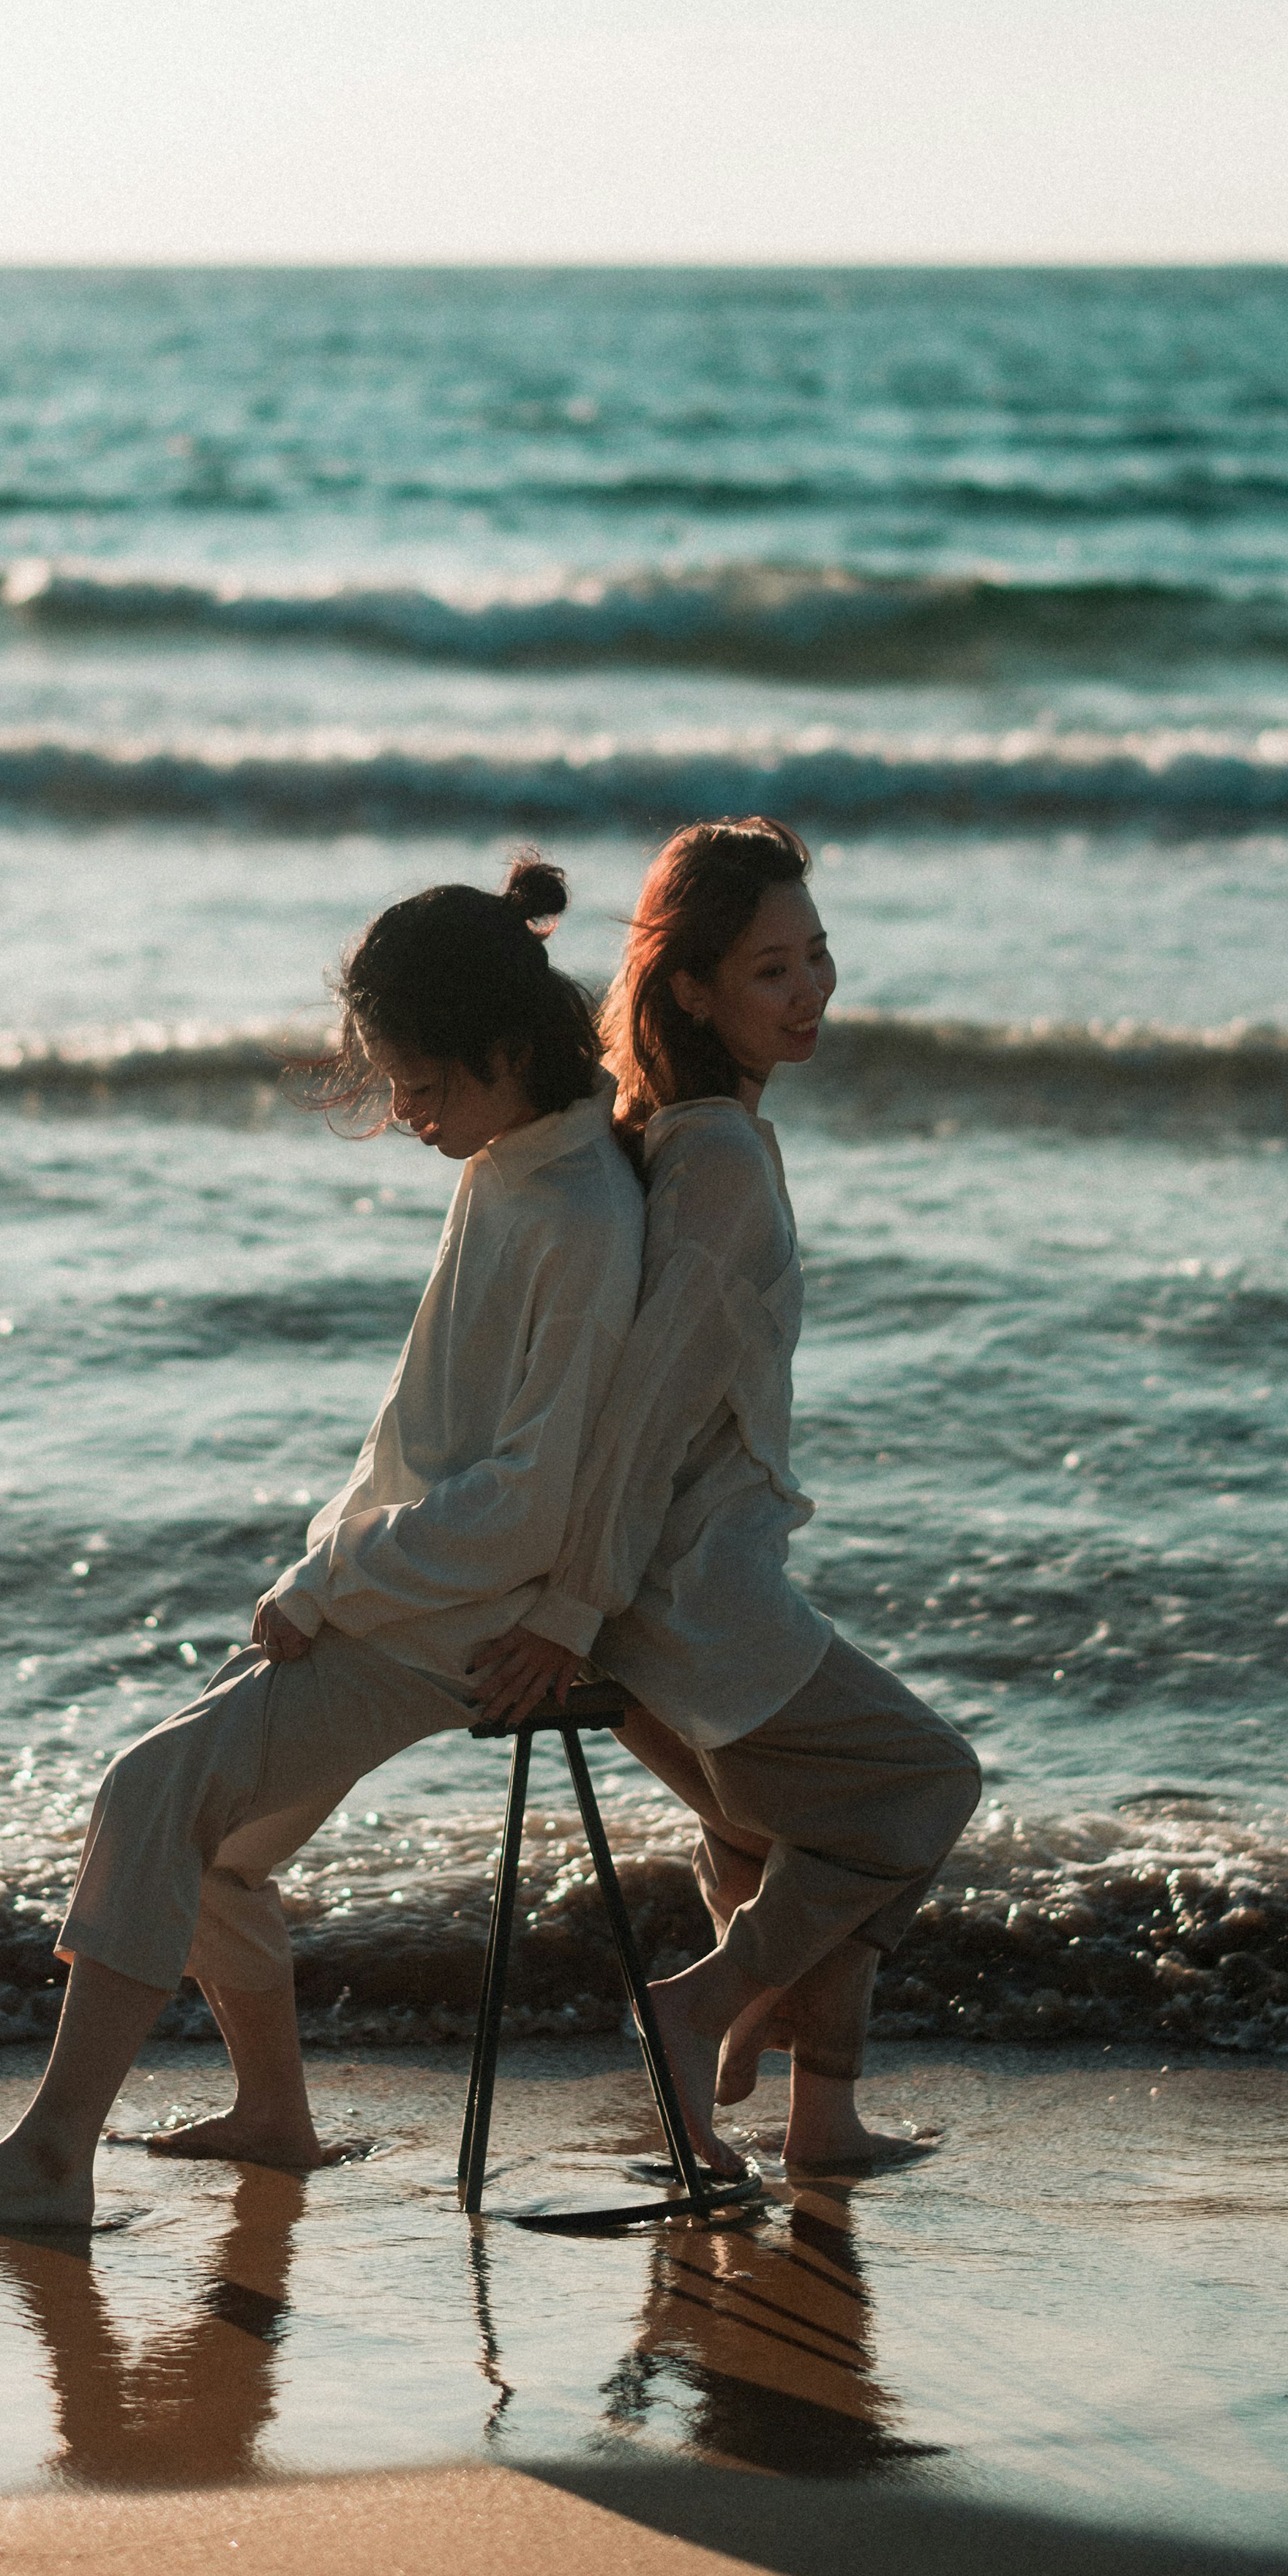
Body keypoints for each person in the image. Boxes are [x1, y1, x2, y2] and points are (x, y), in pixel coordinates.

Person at [0, 855, 641, 2235]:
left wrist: (333, 1580)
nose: (407, 1117)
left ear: (508, 1049)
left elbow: (527, 1503)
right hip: (398, 1590)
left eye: (423, 1088)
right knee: (216, 1848)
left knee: (150, 1795)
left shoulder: (578, 1214)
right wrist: (329, 1566)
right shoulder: (517, 1163)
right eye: (396, 1087)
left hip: (455, 1623)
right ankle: (276, 2118)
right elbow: (435, 1431)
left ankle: (56, 2152)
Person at [469, 817, 979, 2182]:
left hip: (648, 1609)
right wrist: (574, 1610)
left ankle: (819, 2122)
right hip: (689, 1603)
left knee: (779, 1835)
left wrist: (581, 1603)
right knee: (924, 1784)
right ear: (691, 988)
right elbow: (640, 1418)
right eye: (769, 971)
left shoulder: (672, 1138)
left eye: (818, 955)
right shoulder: (720, 1167)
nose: (810, 992)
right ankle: (702, 2008)